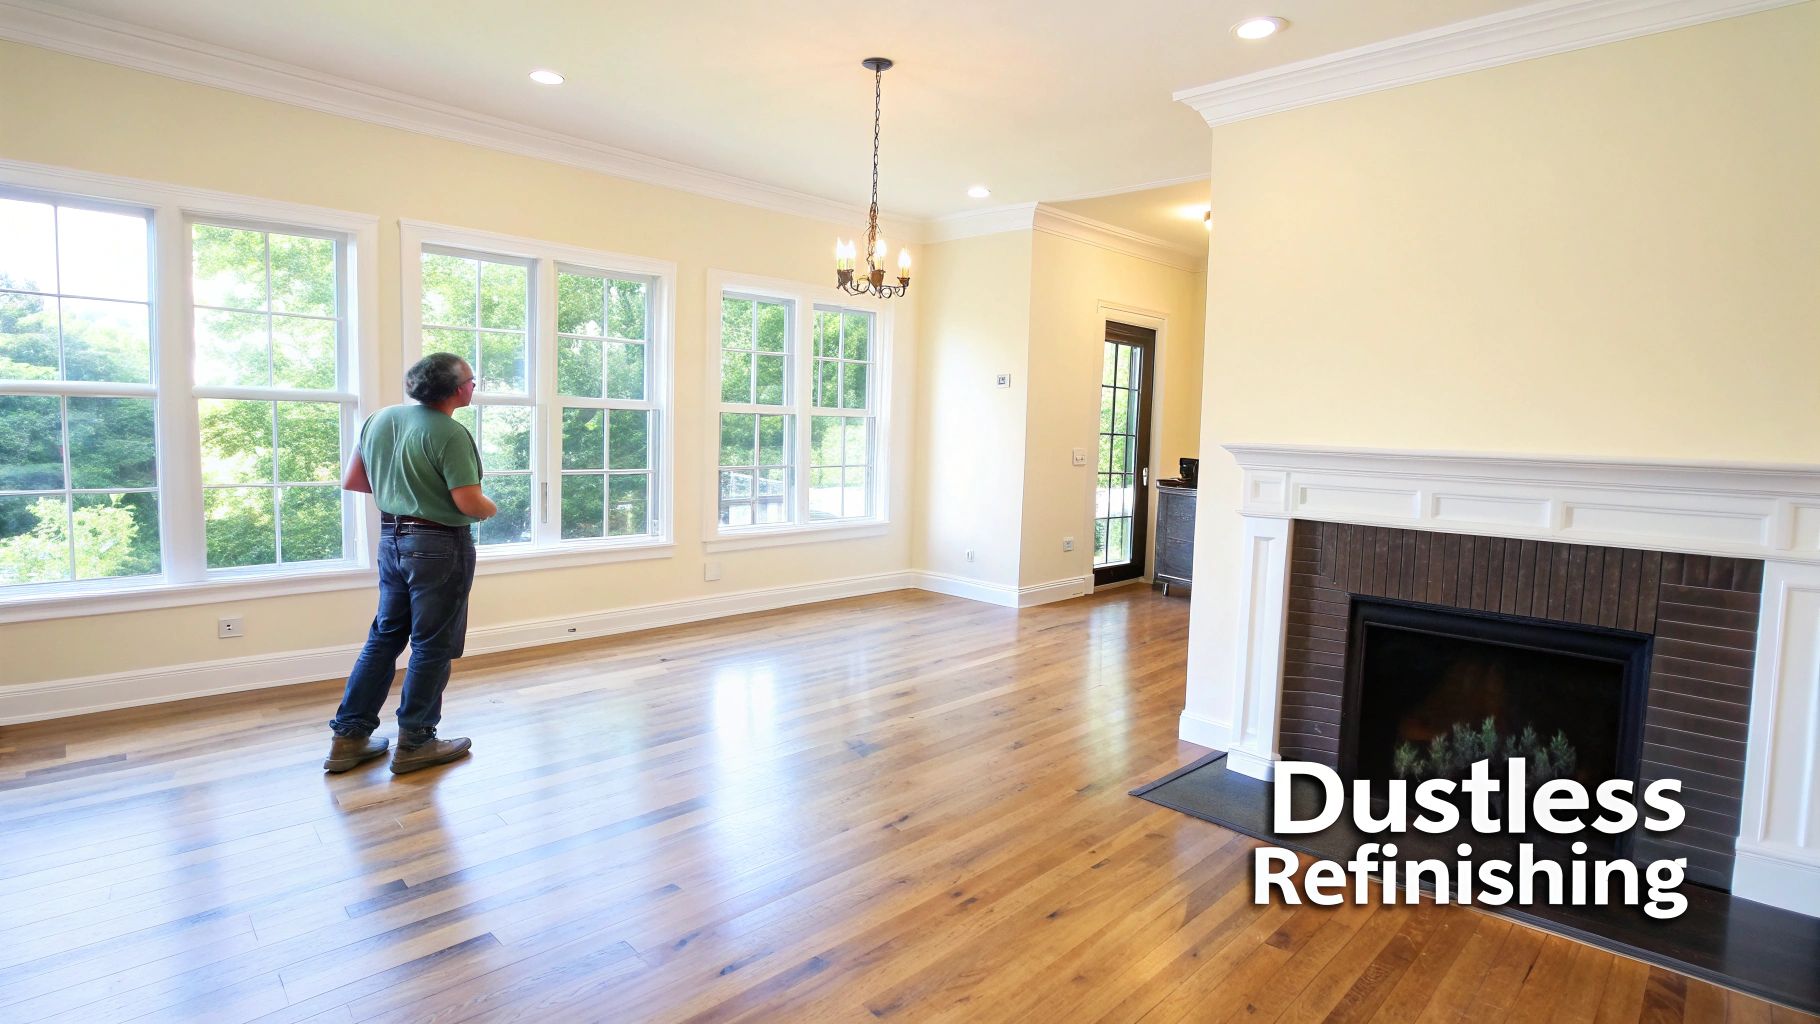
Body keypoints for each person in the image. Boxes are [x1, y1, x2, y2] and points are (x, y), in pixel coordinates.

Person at [324, 352, 497, 775]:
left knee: (384, 638)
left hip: (392, 539)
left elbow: (354, 481)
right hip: (439, 545)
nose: (474, 386)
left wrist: (402, 487)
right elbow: (468, 501)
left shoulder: (379, 420)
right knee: (432, 644)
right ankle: (417, 741)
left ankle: (349, 738)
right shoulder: (451, 434)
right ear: (457, 389)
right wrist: (491, 509)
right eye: (472, 380)